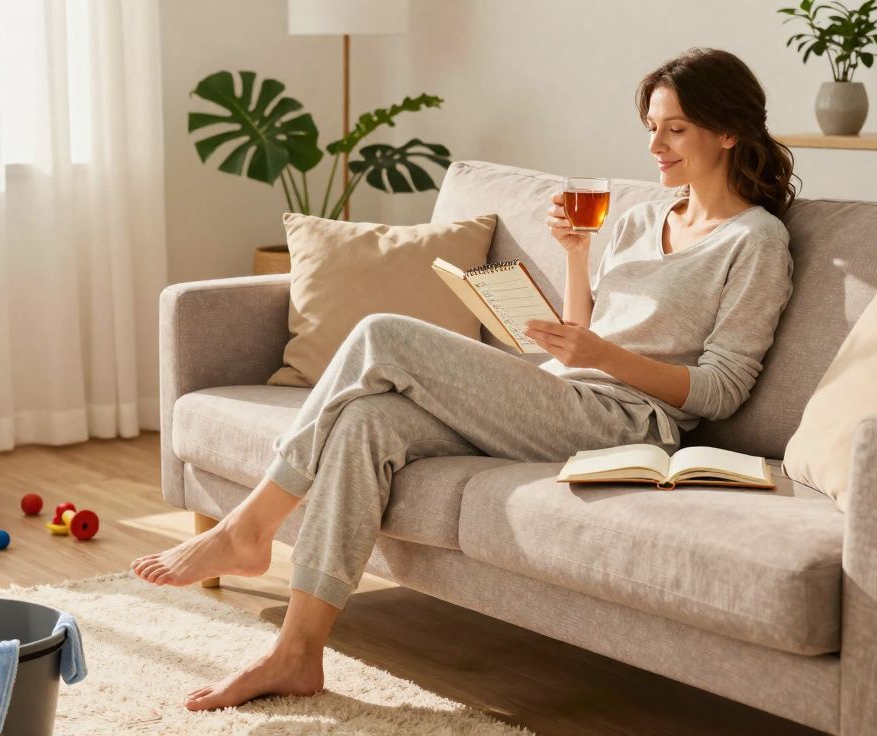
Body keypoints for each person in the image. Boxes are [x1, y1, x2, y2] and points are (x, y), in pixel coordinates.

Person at [132, 46, 797, 712]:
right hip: (565, 389)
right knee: (368, 421)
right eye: (650, 125)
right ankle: (298, 652)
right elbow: (584, 330)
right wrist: (574, 260)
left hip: (630, 422)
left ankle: (246, 528)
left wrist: (603, 357)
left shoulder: (755, 241)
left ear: (728, 130)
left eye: (675, 128)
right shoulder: (640, 219)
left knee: (382, 336)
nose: (655, 144)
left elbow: (722, 388)